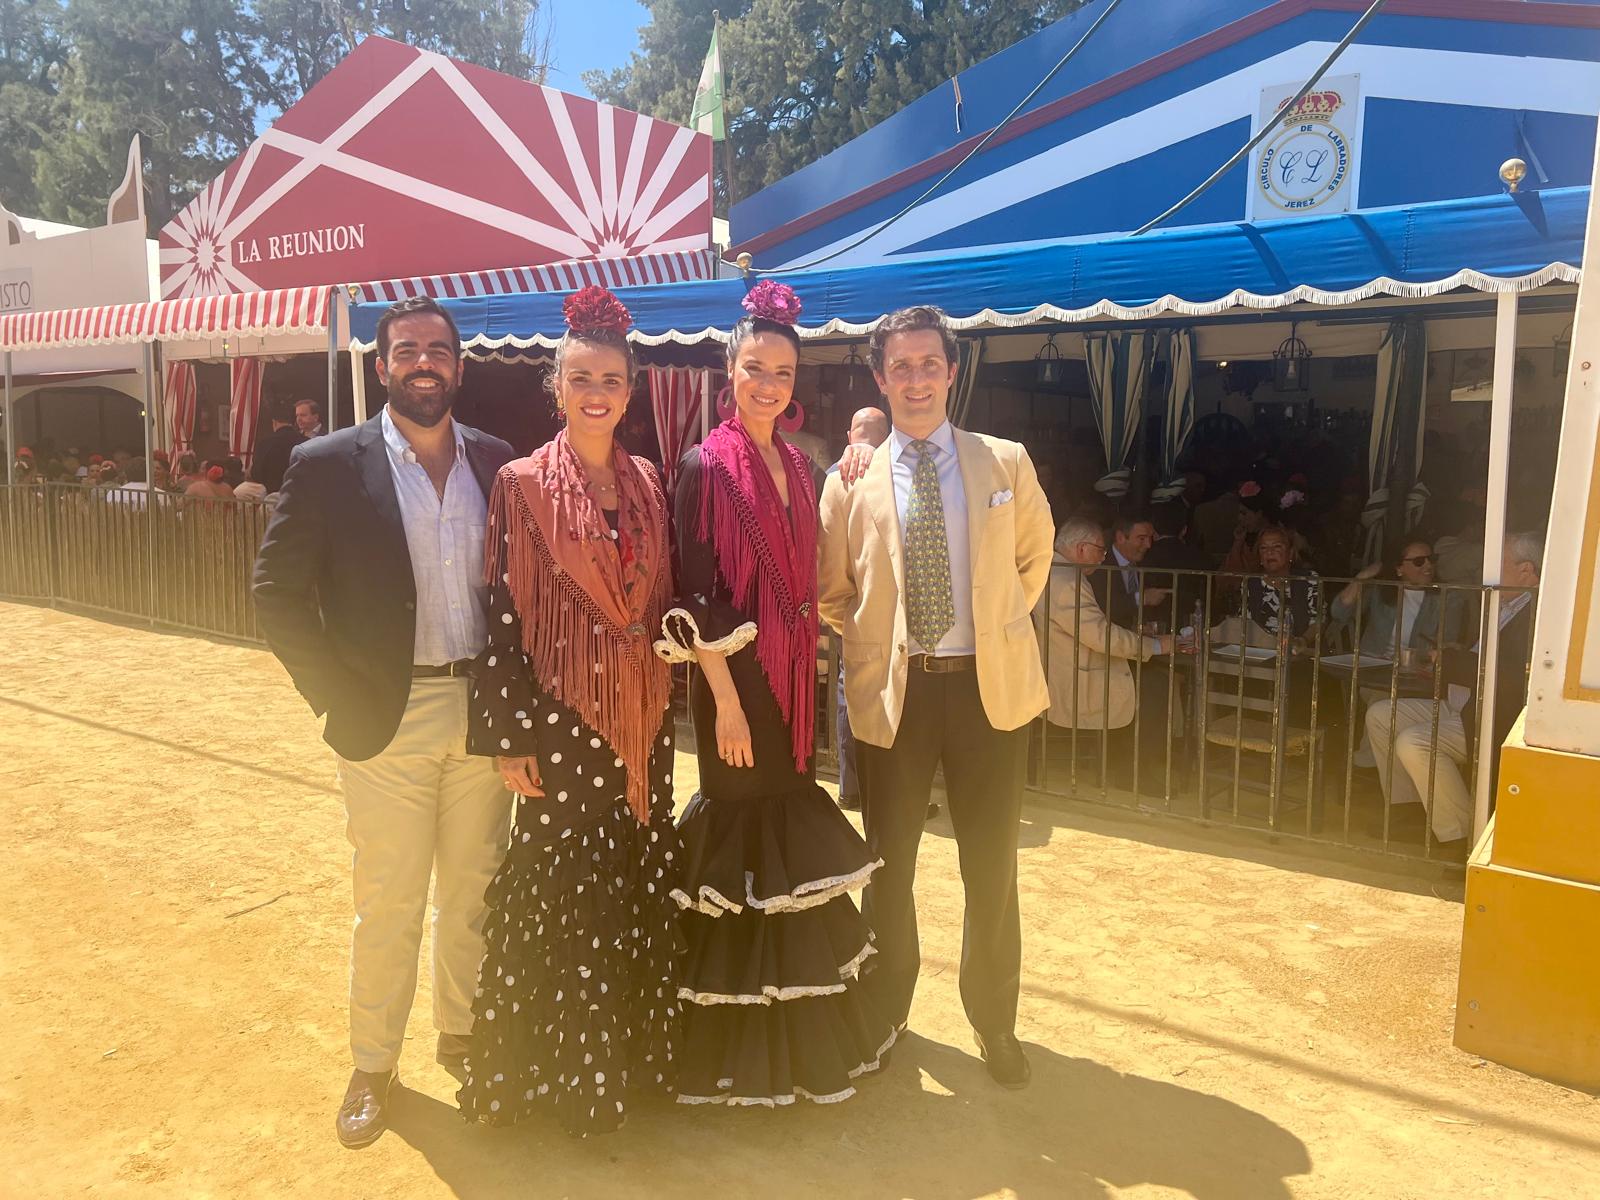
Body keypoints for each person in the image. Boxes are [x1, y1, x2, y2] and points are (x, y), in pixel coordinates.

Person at [251, 295, 516, 1149]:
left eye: (438, 349)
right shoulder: (328, 463)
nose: (424, 362)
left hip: (480, 715)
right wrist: (332, 695)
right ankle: (374, 1063)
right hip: (383, 718)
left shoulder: (497, 463)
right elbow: (275, 593)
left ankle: (465, 1042)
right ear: (382, 365)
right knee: (390, 903)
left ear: (460, 365)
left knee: (474, 894)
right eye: (408, 350)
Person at [661, 281, 895, 1108]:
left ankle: (798, 1036)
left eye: (784, 370)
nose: (770, 383)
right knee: (741, 844)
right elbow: (691, 597)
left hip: (795, 680)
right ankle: (733, 1046)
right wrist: (721, 696)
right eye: (755, 367)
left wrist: (866, 456)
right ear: (730, 371)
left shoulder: (803, 461)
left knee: (787, 841)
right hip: (736, 685)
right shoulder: (700, 464)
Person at [457, 286, 681, 1136]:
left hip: (645, 723)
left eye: (612, 379)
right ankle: (558, 1086)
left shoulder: (652, 482)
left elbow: (662, 603)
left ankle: (630, 1070)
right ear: (557, 386)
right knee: (566, 895)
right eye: (581, 376)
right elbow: (503, 613)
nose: (597, 392)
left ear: (630, 391)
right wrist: (509, 736)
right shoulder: (519, 484)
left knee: (632, 883)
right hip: (560, 722)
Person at [818, 304, 1054, 1088]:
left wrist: (987, 628)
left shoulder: (1005, 463)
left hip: (988, 692)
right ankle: (888, 1008)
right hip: (898, 696)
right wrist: (879, 645)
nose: (916, 379)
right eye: (900, 367)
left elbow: (1032, 562)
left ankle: (994, 1020)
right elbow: (832, 592)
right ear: (880, 380)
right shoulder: (850, 481)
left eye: (930, 363)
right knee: (890, 865)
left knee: (992, 867)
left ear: (952, 372)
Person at [1364, 532, 1541, 846]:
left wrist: (1449, 660)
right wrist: (1456, 655)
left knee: (1415, 742)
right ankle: (1413, 812)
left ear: (1525, 571)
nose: (1486, 570)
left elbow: (1509, 676)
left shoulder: (1535, 615)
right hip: (1463, 702)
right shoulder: (1507, 604)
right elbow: (1483, 659)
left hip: (1490, 714)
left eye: (1497, 562)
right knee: (1380, 714)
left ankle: (1461, 835)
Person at [1045, 514, 1172, 732]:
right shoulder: (1067, 582)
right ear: (1082, 548)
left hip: (1062, 672)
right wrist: (1157, 645)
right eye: (1100, 550)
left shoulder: (1052, 571)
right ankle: (1140, 763)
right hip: (1076, 682)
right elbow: (1101, 636)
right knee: (1156, 688)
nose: (1103, 558)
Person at [825, 405, 890, 813]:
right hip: (874, 608)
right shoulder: (887, 472)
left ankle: (852, 786)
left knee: (851, 694)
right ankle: (872, 788)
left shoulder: (833, 475)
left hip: (848, 606)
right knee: (875, 696)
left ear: (851, 436)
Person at [1331, 540, 1460, 659]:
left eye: (1431, 559)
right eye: (1419, 561)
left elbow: (1448, 640)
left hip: (1416, 669)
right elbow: (1340, 612)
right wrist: (1361, 577)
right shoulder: (1380, 591)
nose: (1428, 565)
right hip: (1373, 662)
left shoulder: (1447, 598)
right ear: (1399, 569)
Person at [1238, 525, 1322, 650]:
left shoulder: (1309, 580)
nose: (1269, 552)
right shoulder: (1251, 583)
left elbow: (1319, 620)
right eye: (1263, 548)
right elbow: (1244, 621)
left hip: (1298, 652)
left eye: (1277, 547)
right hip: (1260, 650)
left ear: (1290, 553)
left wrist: (1302, 641)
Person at [1091, 512, 1168, 632]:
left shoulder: (1150, 561)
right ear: (1121, 538)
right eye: (1142, 538)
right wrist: (1142, 598)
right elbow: (1103, 604)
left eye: (1150, 538)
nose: (1148, 545)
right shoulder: (1100, 564)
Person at [250, 398, 307, 494]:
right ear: (294, 422)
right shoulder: (306, 442)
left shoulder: (264, 443)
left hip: (272, 496)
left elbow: (256, 473)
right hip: (300, 497)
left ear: (274, 422)